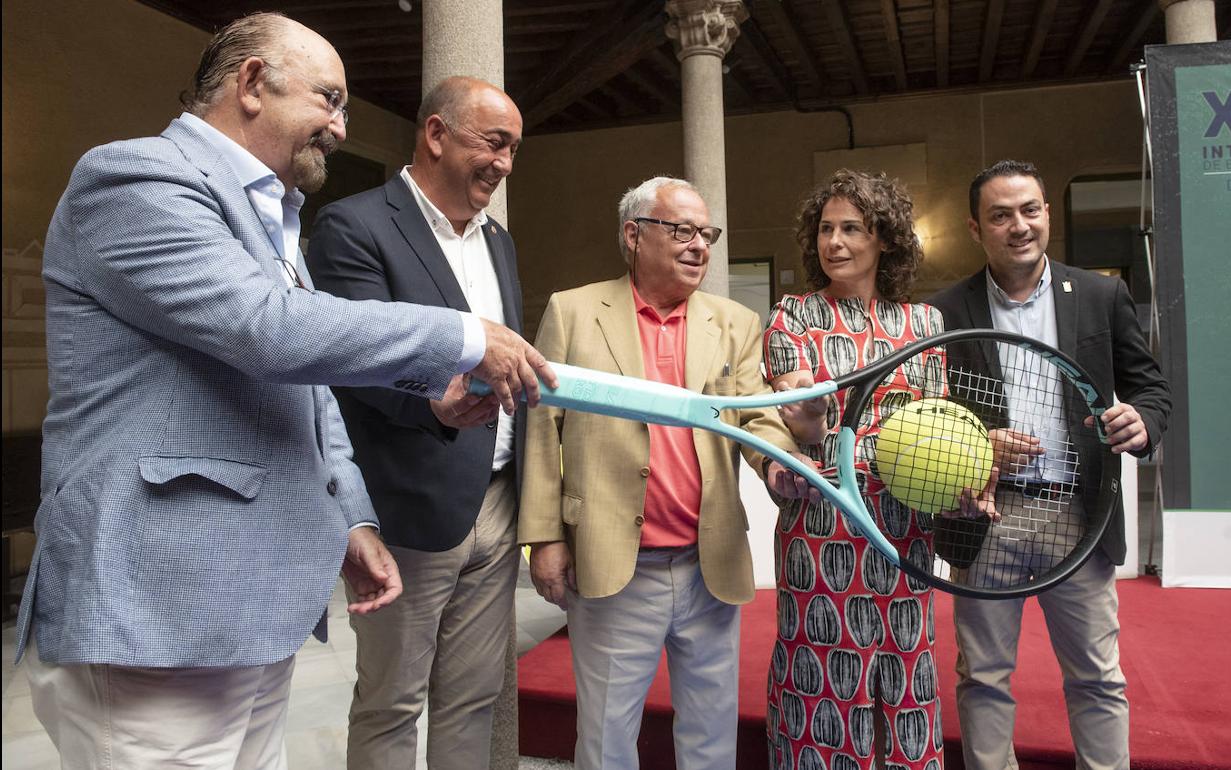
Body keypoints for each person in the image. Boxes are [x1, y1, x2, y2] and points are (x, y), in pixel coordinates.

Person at [17, 13, 554, 769]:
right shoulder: (137, 175)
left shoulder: (274, 218)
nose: (339, 127)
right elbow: (267, 328)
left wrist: (352, 517)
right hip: (158, 609)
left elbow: (312, 393)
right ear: (251, 84)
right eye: (330, 101)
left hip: (251, 611)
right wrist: (468, 337)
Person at [520, 176, 815, 770]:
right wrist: (544, 538)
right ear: (634, 235)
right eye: (682, 230)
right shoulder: (573, 311)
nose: (699, 245)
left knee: (711, 735)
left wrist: (778, 464)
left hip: (709, 565)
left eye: (706, 233)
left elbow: (755, 416)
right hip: (614, 564)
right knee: (606, 738)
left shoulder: (734, 322)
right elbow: (540, 428)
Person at [304, 76, 525, 770]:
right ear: (435, 134)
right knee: (393, 703)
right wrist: (429, 400)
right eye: (494, 143)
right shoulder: (354, 225)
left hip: (496, 503)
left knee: (472, 697)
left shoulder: (501, 243)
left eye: (515, 149)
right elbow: (348, 359)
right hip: (408, 511)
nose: (505, 163)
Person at [928, 160, 1171, 770]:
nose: (1019, 226)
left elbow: (1152, 391)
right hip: (988, 516)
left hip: (1078, 515)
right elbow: (932, 419)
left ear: (1046, 216)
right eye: (1001, 215)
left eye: (1030, 210)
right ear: (975, 227)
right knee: (983, 677)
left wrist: (1143, 422)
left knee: (1096, 676)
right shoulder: (944, 312)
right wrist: (981, 447)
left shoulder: (1100, 294)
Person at [763, 169, 952, 770]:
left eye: (851, 228)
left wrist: (966, 473)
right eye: (825, 229)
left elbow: (938, 431)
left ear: (885, 240)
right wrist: (812, 425)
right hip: (820, 531)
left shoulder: (924, 325)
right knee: (818, 679)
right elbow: (797, 430)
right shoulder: (791, 316)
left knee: (907, 673)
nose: (834, 242)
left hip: (904, 531)